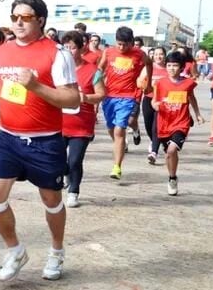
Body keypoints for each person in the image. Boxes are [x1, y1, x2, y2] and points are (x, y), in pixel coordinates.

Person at [0, 0, 79, 282]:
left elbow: (72, 99)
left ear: (41, 21)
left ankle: (57, 251)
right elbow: (1, 88)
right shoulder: (4, 50)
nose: (19, 22)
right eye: (14, 17)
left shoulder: (57, 53)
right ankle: (16, 250)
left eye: (25, 17)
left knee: (51, 202)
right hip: (8, 138)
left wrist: (35, 85)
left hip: (45, 142)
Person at [98, 26, 151, 180]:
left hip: (128, 96)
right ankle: (120, 144)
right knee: (111, 128)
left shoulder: (139, 53)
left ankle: (117, 167)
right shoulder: (108, 52)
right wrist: (96, 82)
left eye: (125, 45)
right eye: (119, 44)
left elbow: (149, 64)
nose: (121, 48)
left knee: (119, 130)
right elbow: (100, 68)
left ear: (131, 43)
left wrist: (147, 83)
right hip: (109, 96)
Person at [61, 31, 105, 208]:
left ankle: (73, 191)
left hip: (81, 125)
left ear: (81, 48)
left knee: (75, 160)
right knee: (57, 159)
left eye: (72, 48)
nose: (68, 51)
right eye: (65, 48)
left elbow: (101, 94)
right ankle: (66, 174)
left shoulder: (93, 71)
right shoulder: (58, 69)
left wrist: (86, 98)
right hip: (59, 122)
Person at [151, 52, 204, 195]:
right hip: (164, 122)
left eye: (175, 66)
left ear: (181, 68)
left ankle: (172, 179)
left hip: (181, 122)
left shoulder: (188, 83)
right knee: (168, 155)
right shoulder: (160, 83)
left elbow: (191, 98)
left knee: (172, 150)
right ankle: (172, 177)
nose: (171, 68)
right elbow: (154, 100)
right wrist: (156, 105)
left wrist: (198, 114)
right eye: (169, 65)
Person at [143, 47, 167, 164]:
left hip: (161, 102)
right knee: (148, 125)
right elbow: (139, 81)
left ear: (165, 56)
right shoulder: (148, 67)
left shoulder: (169, 69)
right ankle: (155, 141)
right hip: (148, 99)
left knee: (156, 127)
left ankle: (154, 152)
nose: (158, 56)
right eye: (156, 54)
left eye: (161, 54)